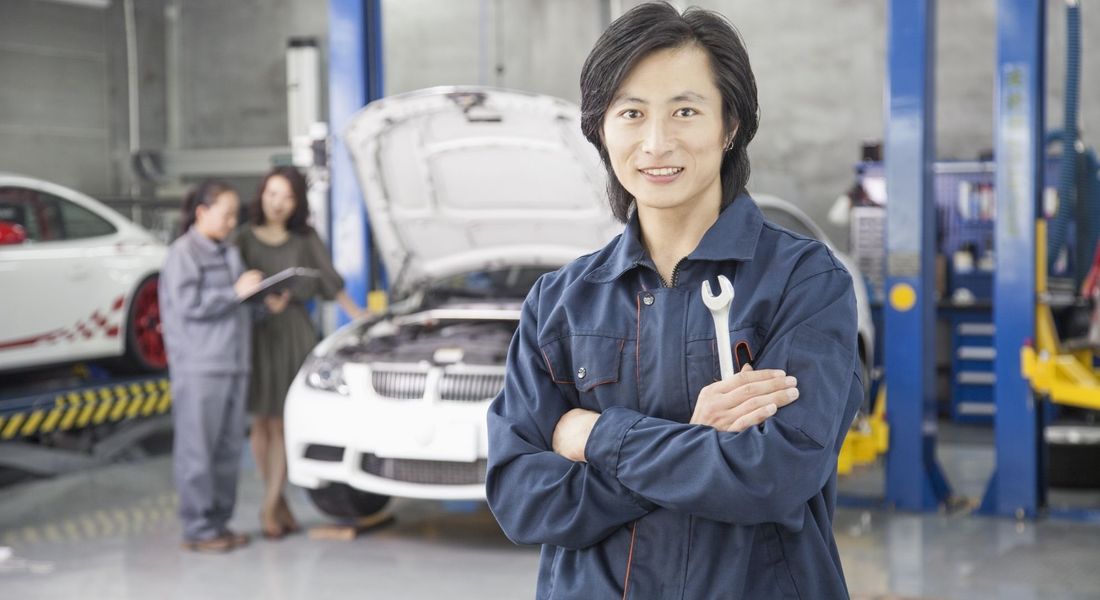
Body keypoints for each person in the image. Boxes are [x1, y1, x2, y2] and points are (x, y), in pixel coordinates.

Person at [486, 3, 861, 598]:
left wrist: (597, 440)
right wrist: (694, 436)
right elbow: (521, 500)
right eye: (631, 113)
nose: (656, 142)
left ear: (730, 125)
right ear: (601, 130)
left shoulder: (804, 283)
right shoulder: (559, 302)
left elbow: (777, 474)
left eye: (685, 111)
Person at [236, 166, 366, 539]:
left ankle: (269, 505)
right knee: (260, 422)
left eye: (287, 197)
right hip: (256, 334)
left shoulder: (305, 238)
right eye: (272, 194)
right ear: (261, 194)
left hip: (292, 332)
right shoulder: (242, 239)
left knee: (281, 420)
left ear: (298, 203)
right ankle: (277, 502)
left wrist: (358, 315)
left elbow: (329, 280)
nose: (278, 203)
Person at [159, 180, 289, 553]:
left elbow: (235, 307)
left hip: (235, 363)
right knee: (198, 450)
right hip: (200, 366)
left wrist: (263, 306)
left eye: (236, 215)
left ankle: (218, 522)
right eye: (226, 214)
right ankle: (198, 528)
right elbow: (189, 306)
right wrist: (235, 292)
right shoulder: (183, 254)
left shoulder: (229, 252)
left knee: (229, 449)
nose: (233, 222)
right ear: (202, 213)